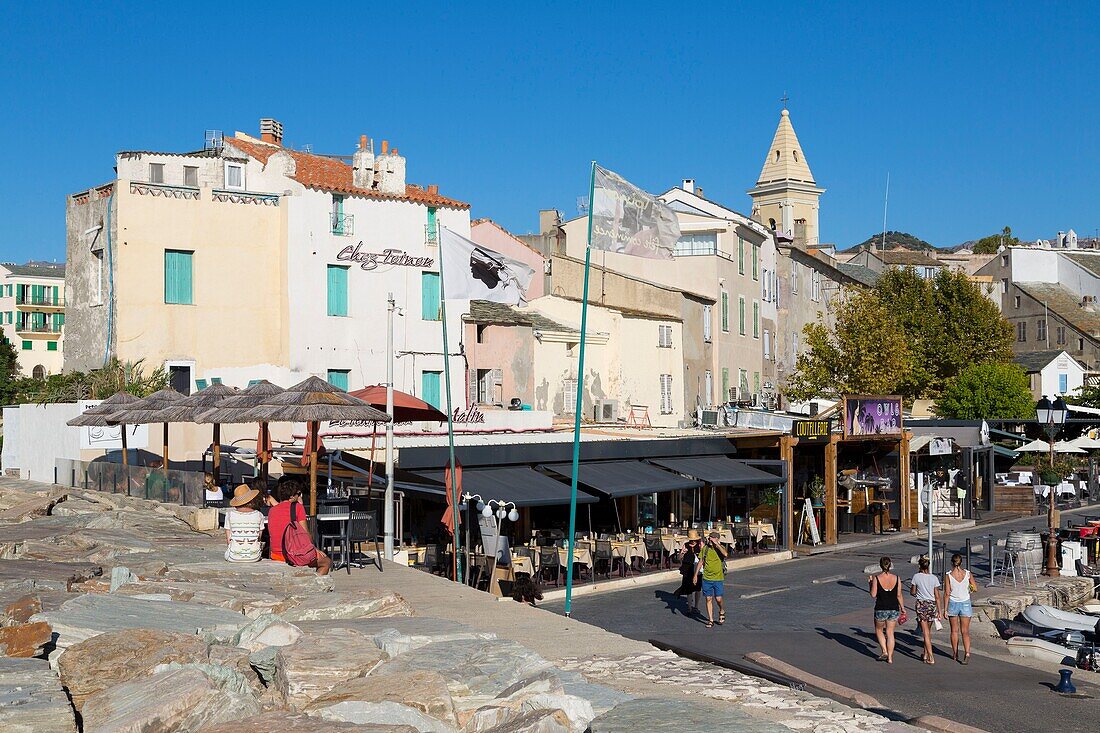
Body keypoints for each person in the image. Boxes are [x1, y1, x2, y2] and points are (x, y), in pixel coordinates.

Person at [266, 480, 332, 576]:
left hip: (275, 554)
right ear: (292, 496)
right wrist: (314, 548)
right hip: (292, 555)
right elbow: (305, 533)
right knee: (326, 562)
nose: (300, 496)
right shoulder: (297, 507)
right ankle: (314, 587)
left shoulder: (272, 510)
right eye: (298, 494)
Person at [870, 556, 904, 663]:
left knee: (879, 630)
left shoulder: (877, 578)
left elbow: (873, 594)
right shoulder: (897, 578)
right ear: (890, 565)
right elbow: (899, 595)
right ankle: (890, 657)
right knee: (890, 632)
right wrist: (903, 608)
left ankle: (884, 651)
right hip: (894, 608)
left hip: (881, 608)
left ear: (880, 565)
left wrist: (870, 584)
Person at [944, 553, 977, 664]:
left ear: (952, 562)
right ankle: (967, 653)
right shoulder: (967, 573)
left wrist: (945, 609)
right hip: (965, 603)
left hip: (953, 603)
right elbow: (975, 588)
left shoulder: (948, 575)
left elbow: (947, 593)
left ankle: (955, 653)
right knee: (965, 631)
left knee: (954, 630)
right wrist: (969, 589)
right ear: (961, 562)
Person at [910, 556, 943, 664]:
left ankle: (931, 656)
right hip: (932, 605)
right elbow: (937, 596)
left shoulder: (916, 577)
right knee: (928, 631)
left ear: (920, 565)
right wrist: (939, 611)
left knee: (925, 633)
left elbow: (913, 592)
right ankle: (925, 654)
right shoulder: (934, 578)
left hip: (921, 604)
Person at [694, 530, 728, 628]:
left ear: (716, 539)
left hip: (718, 577)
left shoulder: (720, 548)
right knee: (708, 598)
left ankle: (721, 610)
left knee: (718, 598)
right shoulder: (705, 549)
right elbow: (700, 562)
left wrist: (717, 544)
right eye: (709, 538)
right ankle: (711, 620)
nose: (710, 539)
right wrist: (695, 575)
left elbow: (725, 554)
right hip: (706, 577)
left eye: (712, 538)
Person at [224, 484, 264, 563]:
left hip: (233, 556)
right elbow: (259, 537)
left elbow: (229, 540)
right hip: (254, 556)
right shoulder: (259, 515)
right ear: (252, 500)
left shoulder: (229, 515)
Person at [673, 530, 702, 616]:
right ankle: (690, 608)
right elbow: (679, 558)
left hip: (697, 568)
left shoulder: (700, 545)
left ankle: (696, 607)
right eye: (692, 539)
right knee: (689, 589)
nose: (693, 541)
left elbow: (703, 557)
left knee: (697, 588)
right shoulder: (685, 545)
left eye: (694, 539)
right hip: (687, 568)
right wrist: (682, 553)